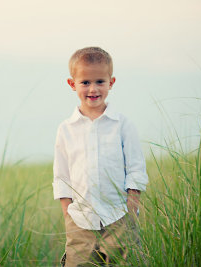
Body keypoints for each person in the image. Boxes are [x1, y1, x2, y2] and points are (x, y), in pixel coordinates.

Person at [53, 47, 148, 266]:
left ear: (111, 82)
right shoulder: (66, 129)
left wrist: (131, 210)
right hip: (80, 219)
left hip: (118, 216)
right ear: (72, 84)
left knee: (123, 262)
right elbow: (62, 176)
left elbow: (135, 169)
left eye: (100, 82)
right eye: (85, 82)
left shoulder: (123, 125)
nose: (93, 89)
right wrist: (68, 214)